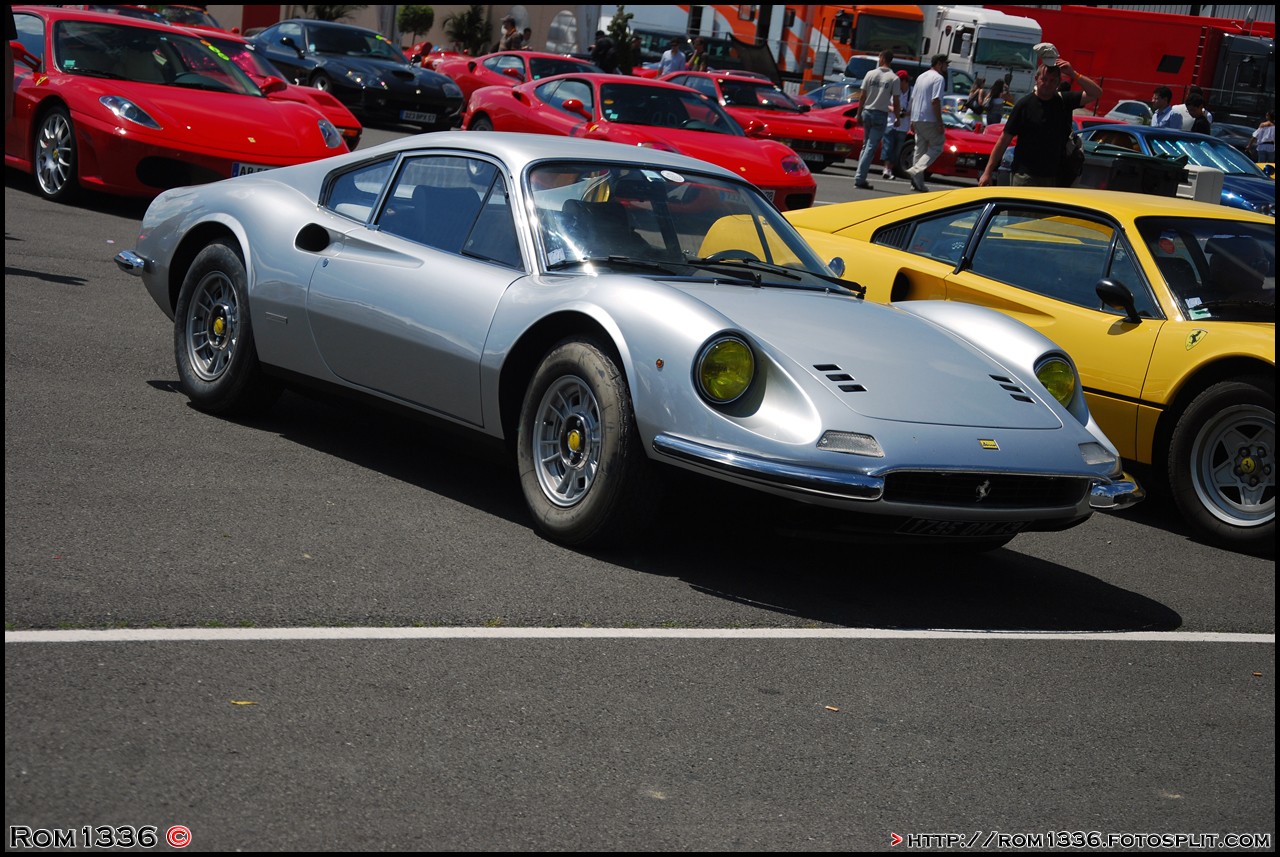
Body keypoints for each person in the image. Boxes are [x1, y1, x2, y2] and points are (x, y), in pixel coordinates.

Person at [978, 57, 1100, 188]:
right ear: (1036, 79)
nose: (1047, 84)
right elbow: (1004, 140)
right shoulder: (1024, 105)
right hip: (1024, 175)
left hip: (1053, 177)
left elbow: (1096, 93)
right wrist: (987, 172)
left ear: (1058, 82)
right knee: (1022, 209)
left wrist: (1073, 74)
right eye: (1044, 79)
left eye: (1052, 80)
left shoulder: (1064, 101)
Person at [852, 49, 900, 190]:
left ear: (882, 58)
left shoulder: (870, 74)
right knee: (871, 147)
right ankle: (860, 178)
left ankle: (859, 175)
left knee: (865, 145)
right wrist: (897, 117)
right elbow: (896, 101)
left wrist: (858, 113)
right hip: (880, 114)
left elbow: (862, 96)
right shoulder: (894, 78)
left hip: (867, 111)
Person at [906, 54, 949, 193]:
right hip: (929, 118)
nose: (946, 67)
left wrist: (912, 118)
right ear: (939, 64)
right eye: (945, 64)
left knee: (920, 149)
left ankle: (917, 183)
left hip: (917, 117)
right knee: (937, 145)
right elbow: (935, 101)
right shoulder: (938, 78)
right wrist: (939, 122)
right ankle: (916, 170)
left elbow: (913, 99)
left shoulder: (921, 77)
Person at [881, 70, 911, 180]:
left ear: (905, 81)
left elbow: (915, 110)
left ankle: (889, 169)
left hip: (903, 126)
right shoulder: (892, 90)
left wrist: (905, 113)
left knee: (897, 149)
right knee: (888, 147)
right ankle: (886, 169)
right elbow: (884, 104)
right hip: (890, 123)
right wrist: (894, 109)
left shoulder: (912, 93)